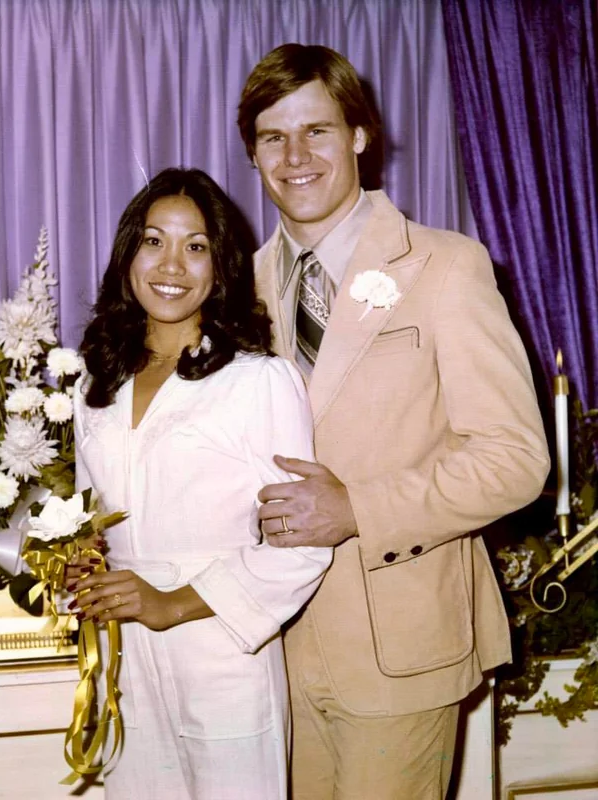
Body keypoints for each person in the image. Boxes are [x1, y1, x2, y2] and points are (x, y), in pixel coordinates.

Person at [237, 44, 550, 800]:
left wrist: (359, 510)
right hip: (264, 655)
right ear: (252, 154)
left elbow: (516, 459)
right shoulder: (238, 287)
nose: (296, 155)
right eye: (274, 138)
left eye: (316, 130)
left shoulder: (446, 266)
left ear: (359, 136)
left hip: (400, 651)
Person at [66, 167, 332, 800]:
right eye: (154, 241)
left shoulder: (257, 380)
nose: (172, 265)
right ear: (129, 252)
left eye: (196, 246)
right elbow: (88, 517)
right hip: (121, 657)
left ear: (221, 267)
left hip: (220, 652)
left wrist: (169, 603)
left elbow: (302, 546)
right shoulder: (95, 383)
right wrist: (80, 560)